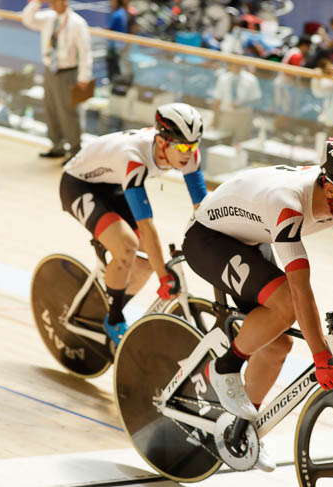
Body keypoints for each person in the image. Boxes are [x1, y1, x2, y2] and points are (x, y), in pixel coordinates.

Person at [182, 136, 333, 471]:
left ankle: (241, 431)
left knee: (277, 344)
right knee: (284, 304)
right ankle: (225, 367)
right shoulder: (289, 203)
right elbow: (299, 289)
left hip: (251, 238)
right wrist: (320, 355)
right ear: (331, 191)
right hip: (208, 239)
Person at [60, 103, 207, 345]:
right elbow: (147, 227)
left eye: (193, 145)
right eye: (182, 146)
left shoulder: (188, 153)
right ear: (162, 142)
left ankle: (108, 304)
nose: (188, 153)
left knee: (148, 261)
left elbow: (202, 209)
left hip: (113, 183)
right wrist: (165, 278)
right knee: (127, 246)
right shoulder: (134, 159)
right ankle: (114, 319)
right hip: (78, 185)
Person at [22, 0, 92, 162]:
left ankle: (75, 150)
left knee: (69, 113)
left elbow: (85, 52)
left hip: (68, 73)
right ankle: (57, 145)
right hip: (50, 70)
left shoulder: (77, 23)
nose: (52, 4)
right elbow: (27, 19)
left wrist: (83, 77)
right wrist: (36, 3)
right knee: (50, 109)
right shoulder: (48, 18)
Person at [212, 63, 261, 141]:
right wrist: (215, 118)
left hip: (244, 115)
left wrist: (241, 104)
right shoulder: (223, 78)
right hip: (226, 115)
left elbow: (256, 98)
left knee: (241, 142)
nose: (236, 67)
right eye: (233, 64)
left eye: (238, 64)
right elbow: (217, 99)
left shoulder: (251, 79)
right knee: (223, 140)